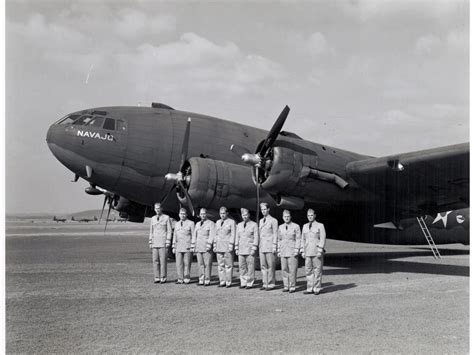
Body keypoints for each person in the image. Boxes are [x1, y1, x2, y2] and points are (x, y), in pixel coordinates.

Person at [301, 209, 326, 295]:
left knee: (317, 270)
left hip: (316, 251)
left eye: (311, 215)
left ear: (315, 215)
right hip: (307, 251)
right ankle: (309, 288)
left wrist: (320, 250)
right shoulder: (304, 226)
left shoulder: (320, 226)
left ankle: (317, 288)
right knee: (308, 270)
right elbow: (303, 240)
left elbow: (322, 239)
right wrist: (302, 251)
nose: (310, 217)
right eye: (308, 216)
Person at [277, 210, 301, 293]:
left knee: (292, 269)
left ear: (290, 217)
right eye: (285, 217)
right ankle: (286, 286)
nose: (286, 218)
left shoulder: (296, 226)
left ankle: (292, 286)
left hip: (292, 250)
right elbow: (279, 239)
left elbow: (298, 239)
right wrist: (279, 250)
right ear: (283, 217)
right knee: (284, 269)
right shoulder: (280, 227)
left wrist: (297, 249)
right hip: (283, 250)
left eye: (288, 217)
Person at [235, 208, 259, 289]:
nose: (244, 217)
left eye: (246, 215)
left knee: (250, 267)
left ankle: (249, 283)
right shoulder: (239, 225)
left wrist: (254, 248)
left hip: (249, 249)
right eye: (243, 215)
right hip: (241, 249)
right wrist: (236, 247)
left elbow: (256, 237)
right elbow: (237, 237)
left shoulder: (254, 224)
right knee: (242, 267)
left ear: (248, 215)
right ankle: (243, 282)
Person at [149, 202, 172, 283]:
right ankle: (157, 277)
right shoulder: (153, 219)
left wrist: (168, 241)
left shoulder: (166, 218)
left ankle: (163, 277)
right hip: (155, 243)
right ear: (154, 209)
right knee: (155, 261)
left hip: (163, 243)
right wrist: (150, 242)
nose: (157, 210)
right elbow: (151, 231)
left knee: (163, 261)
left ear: (162, 209)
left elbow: (169, 230)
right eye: (156, 208)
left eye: (159, 208)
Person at [191, 208, 215, 286]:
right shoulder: (197, 224)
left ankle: (207, 280)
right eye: (201, 214)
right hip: (199, 246)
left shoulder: (211, 223)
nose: (203, 215)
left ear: (206, 214)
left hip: (206, 247)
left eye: (204, 214)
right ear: (199, 215)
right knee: (200, 264)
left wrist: (209, 244)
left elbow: (212, 235)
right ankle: (201, 279)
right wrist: (193, 245)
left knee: (207, 264)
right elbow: (195, 235)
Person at [214, 206, 236, 287]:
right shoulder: (217, 222)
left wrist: (231, 244)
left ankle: (228, 282)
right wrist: (215, 245)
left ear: (227, 213)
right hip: (219, 246)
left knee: (228, 265)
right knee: (220, 265)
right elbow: (216, 234)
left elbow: (233, 234)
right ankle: (222, 281)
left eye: (224, 213)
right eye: (221, 213)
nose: (222, 215)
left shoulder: (231, 222)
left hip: (227, 246)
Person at [258, 202, 278, 291]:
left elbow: (275, 234)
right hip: (262, 246)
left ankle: (271, 284)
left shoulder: (273, 221)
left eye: (265, 209)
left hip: (270, 246)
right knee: (263, 265)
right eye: (262, 210)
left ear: (268, 209)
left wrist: (274, 245)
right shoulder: (261, 221)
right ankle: (264, 283)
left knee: (271, 265)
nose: (263, 211)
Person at [172, 208, 195, 284]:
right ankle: (180, 278)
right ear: (179, 215)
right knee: (178, 263)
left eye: (184, 214)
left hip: (187, 246)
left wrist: (192, 246)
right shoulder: (177, 224)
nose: (182, 215)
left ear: (186, 214)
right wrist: (173, 246)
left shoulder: (191, 223)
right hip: (178, 246)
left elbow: (193, 235)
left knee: (187, 263)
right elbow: (175, 235)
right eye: (181, 214)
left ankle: (187, 278)